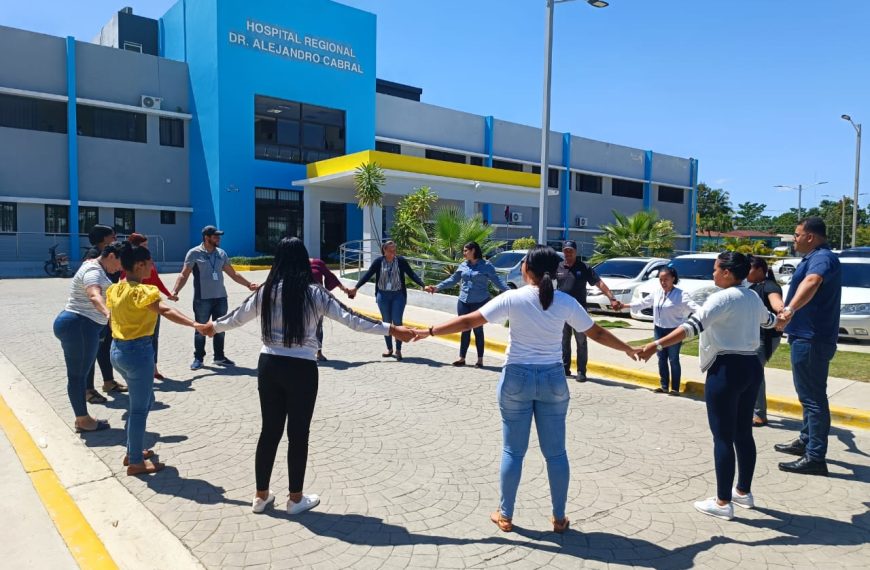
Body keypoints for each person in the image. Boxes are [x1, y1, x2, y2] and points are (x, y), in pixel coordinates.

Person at [411, 246, 640, 533]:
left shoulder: (513, 298)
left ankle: (505, 515)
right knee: (556, 454)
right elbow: (597, 333)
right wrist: (628, 348)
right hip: (553, 379)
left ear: (527, 270)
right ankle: (559, 518)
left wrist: (429, 331)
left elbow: (470, 321)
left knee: (513, 451)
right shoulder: (566, 302)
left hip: (516, 378)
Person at [201, 237, 415, 514]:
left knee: (269, 431)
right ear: (304, 261)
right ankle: (295, 498)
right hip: (302, 368)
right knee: (298, 433)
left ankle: (260, 495)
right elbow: (352, 319)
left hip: (269, 365)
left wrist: (212, 327)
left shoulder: (265, 291)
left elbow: (237, 317)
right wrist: (391, 329)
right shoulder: (315, 293)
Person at [638, 252, 780, 521]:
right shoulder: (751, 296)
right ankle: (743, 492)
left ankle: (723, 501)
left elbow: (690, 327)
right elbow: (770, 321)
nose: (712, 274)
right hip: (751, 367)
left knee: (723, 437)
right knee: (743, 434)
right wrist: (783, 317)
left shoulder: (721, 298)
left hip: (726, 369)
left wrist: (654, 345)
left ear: (727, 272)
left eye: (715, 269)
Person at [107, 241, 207, 475]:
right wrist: (195, 324)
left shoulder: (115, 289)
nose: (152, 266)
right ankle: (135, 462)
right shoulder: (143, 291)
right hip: (138, 353)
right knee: (139, 409)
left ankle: (133, 449)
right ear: (140, 265)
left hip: (117, 351)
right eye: (150, 262)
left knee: (141, 401)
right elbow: (166, 310)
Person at [774, 217, 841, 476]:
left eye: (797, 234)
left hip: (811, 339)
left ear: (810, 236)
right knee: (808, 396)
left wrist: (789, 310)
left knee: (813, 399)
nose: (795, 239)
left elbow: (812, 281)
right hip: (807, 336)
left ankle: (815, 457)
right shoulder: (816, 256)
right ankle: (806, 440)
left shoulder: (822, 258)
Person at [53, 242, 123, 433]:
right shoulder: (94, 271)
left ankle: (82, 418)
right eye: (119, 263)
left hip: (79, 325)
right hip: (80, 326)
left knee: (78, 375)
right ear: (111, 256)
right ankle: (82, 420)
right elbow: (94, 295)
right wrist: (109, 315)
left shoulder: (94, 265)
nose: (119, 268)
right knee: (77, 376)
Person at [171, 226, 258, 370]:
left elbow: (233, 274)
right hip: (202, 299)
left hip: (221, 298)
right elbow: (184, 274)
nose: (219, 239)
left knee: (220, 327)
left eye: (219, 236)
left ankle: (219, 357)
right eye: (216, 236)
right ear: (207, 237)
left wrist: (249, 284)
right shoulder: (194, 253)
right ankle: (198, 358)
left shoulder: (221, 254)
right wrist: (175, 291)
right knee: (200, 329)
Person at [425, 241, 508, 367]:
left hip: (479, 302)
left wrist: (511, 292)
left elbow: (498, 281)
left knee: (478, 330)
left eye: (465, 251)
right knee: (464, 329)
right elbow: (453, 280)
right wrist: (437, 287)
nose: (463, 253)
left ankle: (480, 360)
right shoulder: (463, 265)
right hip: (463, 301)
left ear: (473, 250)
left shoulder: (486, 265)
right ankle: (462, 358)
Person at [621, 266, 699, 395]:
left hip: (674, 332)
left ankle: (674, 388)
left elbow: (693, 307)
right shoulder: (657, 292)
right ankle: (664, 386)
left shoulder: (681, 294)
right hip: (659, 330)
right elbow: (643, 303)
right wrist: (625, 305)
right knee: (661, 358)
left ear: (673, 279)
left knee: (673, 359)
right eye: (661, 280)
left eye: (666, 279)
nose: (663, 282)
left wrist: (707, 315)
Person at [347, 240, 425, 361]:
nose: (393, 253)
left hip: (398, 295)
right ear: (385, 250)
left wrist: (423, 285)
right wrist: (356, 288)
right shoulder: (379, 262)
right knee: (386, 323)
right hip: (383, 295)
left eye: (395, 250)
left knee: (397, 322)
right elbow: (368, 275)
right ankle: (389, 349)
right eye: (391, 250)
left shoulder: (400, 261)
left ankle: (398, 349)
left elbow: (412, 274)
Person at [557, 240, 620, 382]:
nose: (568, 253)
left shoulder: (584, 267)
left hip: (579, 312)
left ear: (575, 252)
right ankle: (565, 369)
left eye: (571, 251)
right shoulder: (559, 267)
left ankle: (581, 372)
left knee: (581, 342)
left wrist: (612, 298)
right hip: (562, 312)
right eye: (566, 250)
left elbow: (599, 283)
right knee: (564, 341)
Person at [123, 234, 179, 380]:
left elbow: (156, 280)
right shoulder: (129, 263)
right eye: (145, 245)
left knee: (153, 336)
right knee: (138, 336)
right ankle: (134, 369)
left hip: (152, 300)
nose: (147, 248)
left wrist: (168, 294)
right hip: (137, 303)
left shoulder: (147, 260)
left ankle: (153, 367)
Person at [83, 224, 126, 402]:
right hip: (96, 312)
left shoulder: (110, 254)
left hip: (106, 309)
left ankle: (109, 382)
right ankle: (88, 389)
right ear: (103, 239)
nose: (114, 239)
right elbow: (93, 292)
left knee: (104, 347)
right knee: (91, 351)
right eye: (112, 236)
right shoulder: (93, 258)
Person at [746, 255, 784, 427]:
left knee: (754, 372)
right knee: (751, 372)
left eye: (750, 268)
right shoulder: (753, 287)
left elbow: (776, 302)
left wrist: (781, 311)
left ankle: (759, 414)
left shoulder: (770, 286)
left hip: (766, 337)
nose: (747, 272)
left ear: (760, 270)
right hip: (753, 336)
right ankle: (751, 409)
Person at [309, 257, 351, 361]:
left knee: (318, 327)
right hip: (303, 300)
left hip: (319, 300)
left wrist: (344, 289)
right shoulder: (296, 264)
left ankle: (319, 352)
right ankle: (305, 352)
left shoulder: (317, 262)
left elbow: (330, 276)